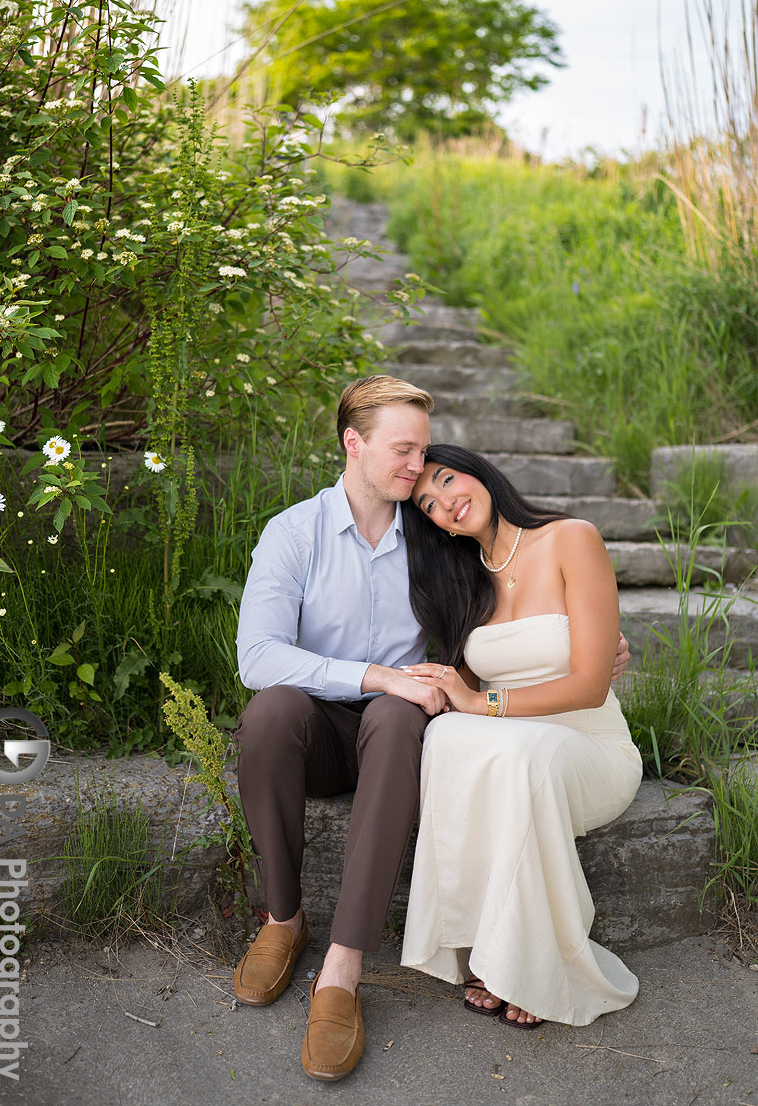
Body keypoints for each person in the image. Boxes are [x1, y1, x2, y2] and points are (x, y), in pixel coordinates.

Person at [233, 376, 631, 1081]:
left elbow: (494, 635)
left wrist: (591, 653)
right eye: (406, 452)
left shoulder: (437, 540)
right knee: (270, 711)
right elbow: (257, 656)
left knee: (398, 717)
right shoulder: (294, 532)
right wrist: (378, 675)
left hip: (406, 734)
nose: (421, 473)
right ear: (353, 444)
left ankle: (343, 970)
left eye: (428, 456)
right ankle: (282, 922)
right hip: (332, 722)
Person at [398, 443, 643, 1030]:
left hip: (588, 749)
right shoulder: (465, 581)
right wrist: (450, 687)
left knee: (514, 749)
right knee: (450, 736)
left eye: (448, 480)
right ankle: (489, 947)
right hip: (517, 751)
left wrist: (482, 701)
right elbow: (470, 683)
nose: (445, 503)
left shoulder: (570, 538)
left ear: (480, 472)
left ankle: (532, 965)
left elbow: (587, 685)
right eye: (429, 504)